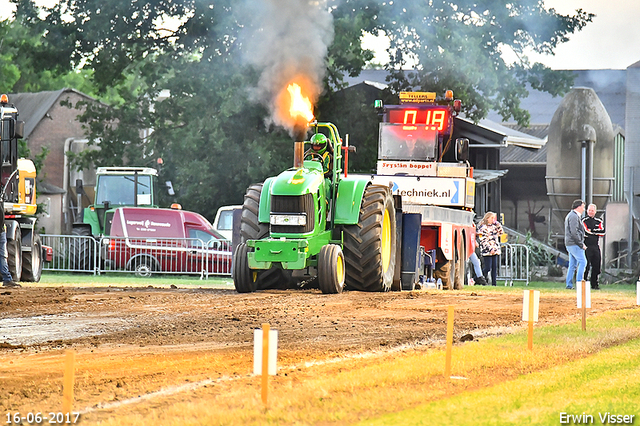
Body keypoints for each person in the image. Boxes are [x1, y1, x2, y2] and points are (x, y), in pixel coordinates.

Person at [564, 199, 587, 290]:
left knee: (572, 265)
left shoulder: (571, 215)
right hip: (574, 244)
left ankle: (569, 284)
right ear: (579, 207)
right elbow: (574, 232)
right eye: (583, 207)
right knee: (583, 262)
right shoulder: (574, 216)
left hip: (570, 243)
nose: (584, 209)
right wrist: (581, 244)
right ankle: (579, 283)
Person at [582, 203, 605, 290]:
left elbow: (603, 232)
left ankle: (594, 284)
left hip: (595, 246)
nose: (591, 212)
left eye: (592, 210)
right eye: (589, 210)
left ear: (595, 211)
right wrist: (595, 232)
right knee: (586, 265)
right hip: (586, 246)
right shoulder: (584, 220)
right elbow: (586, 231)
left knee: (597, 265)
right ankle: (583, 283)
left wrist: (593, 232)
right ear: (587, 211)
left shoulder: (599, 221)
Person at [477, 212, 503, 286]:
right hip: (487, 250)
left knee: (494, 267)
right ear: (487, 218)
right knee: (487, 267)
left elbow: (501, 232)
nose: (492, 220)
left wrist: (497, 223)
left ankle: (494, 283)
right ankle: (478, 278)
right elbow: (483, 240)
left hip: (495, 249)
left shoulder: (494, 227)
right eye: (491, 218)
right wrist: (489, 248)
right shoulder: (483, 227)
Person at [0, 201, 19, 288]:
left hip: (1, 232)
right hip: (1, 232)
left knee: (3, 255)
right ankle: (7, 278)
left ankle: (7, 279)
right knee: (2, 255)